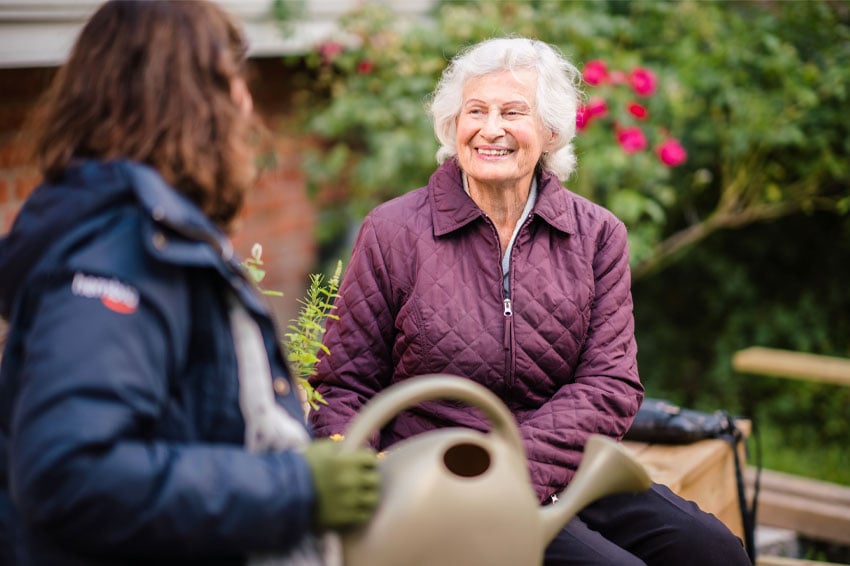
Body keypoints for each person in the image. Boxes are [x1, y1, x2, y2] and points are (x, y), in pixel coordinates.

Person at [309, 37, 751, 565]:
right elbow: (345, 382)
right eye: (475, 111)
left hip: (563, 466)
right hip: (441, 482)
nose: (490, 129)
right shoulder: (393, 230)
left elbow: (611, 384)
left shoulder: (596, 234)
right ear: (453, 127)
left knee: (715, 551)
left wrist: (517, 465)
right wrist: (359, 491)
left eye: (512, 112)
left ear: (551, 131)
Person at [0, 2, 380, 564]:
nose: (246, 106)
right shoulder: (117, 255)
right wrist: (295, 486)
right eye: (232, 81)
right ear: (189, 100)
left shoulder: (151, 234)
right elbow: (71, 472)